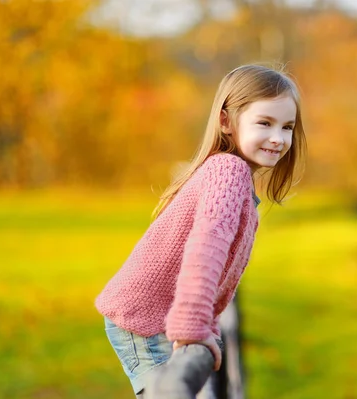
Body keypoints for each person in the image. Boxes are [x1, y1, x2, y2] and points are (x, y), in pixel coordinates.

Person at [95, 63, 307, 398]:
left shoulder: (232, 175)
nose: (278, 138)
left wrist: (206, 326)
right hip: (145, 321)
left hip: (157, 317)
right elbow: (205, 249)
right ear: (226, 121)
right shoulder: (229, 171)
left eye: (287, 126)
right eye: (264, 123)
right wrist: (193, 326)